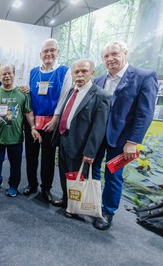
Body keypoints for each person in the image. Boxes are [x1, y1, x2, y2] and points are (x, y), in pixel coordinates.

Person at [92, 41, 159, 230]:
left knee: (113, 175)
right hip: (98, 136)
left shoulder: (144, 77)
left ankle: (107, 211)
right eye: (106, 56)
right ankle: (93, 205)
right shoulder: (98, 80)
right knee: (93, 171)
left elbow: (145, 113)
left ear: (125, 53)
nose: (110, 59)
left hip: (122, 140)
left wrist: (133, 142)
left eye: (114, 53)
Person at [51, 59, 110, 218]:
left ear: (92, 73)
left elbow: (99, 128)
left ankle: (75, 207)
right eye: (76, 72)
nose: (79, 75)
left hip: (81, 145)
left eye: (84, 71)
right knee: (65, 173)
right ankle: (66, 199)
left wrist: (90, 152)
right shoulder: (72, 90)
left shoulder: (101, 96)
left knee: (77, 176)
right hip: (65, 138)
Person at [24, 38, 72, 202]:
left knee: (48, 158)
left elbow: (65, 97)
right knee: (30, 156)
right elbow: (30, 96)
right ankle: (32, 184)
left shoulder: (65, 71)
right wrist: (31, 124)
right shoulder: (33, 72)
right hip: (32, 124)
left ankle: (46, 189)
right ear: (40, 54)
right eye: (46, 51)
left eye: (52, 50)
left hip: (51, 123)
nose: (49, 53)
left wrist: (56, 119)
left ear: (58, 52)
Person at [0, 64, 41, 198]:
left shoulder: (22, 92)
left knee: (15, 164)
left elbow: (28, 112)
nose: (6, 76)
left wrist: (33, 127)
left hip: (15, 137)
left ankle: (13, 186)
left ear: (13, 74)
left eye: (9, 73)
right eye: (3, 74)